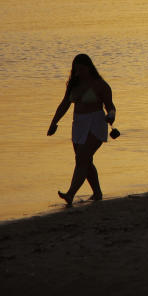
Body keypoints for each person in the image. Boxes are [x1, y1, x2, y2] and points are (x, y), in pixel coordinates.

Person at [47, 53, 116, 206]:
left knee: (81, 158)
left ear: (89, 67)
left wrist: (111, 116)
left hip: (96, 123)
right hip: (78, 125)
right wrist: (54, 123)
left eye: (81, 68)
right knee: (85, 160)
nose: (78, 72)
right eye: (76, 69)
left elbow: (110, 106)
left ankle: (71, 193)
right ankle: (97, 193)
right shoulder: (73, 84)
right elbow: (64, 104)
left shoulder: (100, 84)